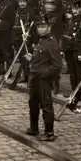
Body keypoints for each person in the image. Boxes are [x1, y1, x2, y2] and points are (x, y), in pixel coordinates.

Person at [25, 14, 62, 142]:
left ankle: (49, 132)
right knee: (33, 103)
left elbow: (57, 65)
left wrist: (44, 73)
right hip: (34, 76)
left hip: (43, 79)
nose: (40, 29)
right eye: (38, 27)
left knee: (46, 105)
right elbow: (41, 58)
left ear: (49, 27)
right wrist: (32, 58)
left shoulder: (51, 42)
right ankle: (34, 128)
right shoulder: (42, 40)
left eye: (43, 26)